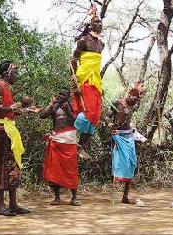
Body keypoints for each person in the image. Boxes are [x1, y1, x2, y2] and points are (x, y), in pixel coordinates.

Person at [0, 60, 34, 216]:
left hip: (10, 131)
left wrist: (24, 110)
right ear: (7, 72)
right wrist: (17, 105)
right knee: (2, 167)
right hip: (2, 132)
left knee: (14, 168)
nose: (16, 75)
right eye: (14, 72)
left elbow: (8, 112)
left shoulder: (6, 88)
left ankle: (13, 204)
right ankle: (0, 206)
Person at [71, 5, 104, 159]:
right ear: (91, 25)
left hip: (96, 80)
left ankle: (82, 145)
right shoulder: (83, 41)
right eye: (97, 22)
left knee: (96, 113)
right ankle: (73, 138)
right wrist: (75, 82)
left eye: (101, 22)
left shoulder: (101, 44)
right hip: (83, 79)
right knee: (87, 112)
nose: (100, 24)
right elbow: (73, 60)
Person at [39, 88, 81, 206]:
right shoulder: (55, 106)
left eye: (64, 95)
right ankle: (57, 198)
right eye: (59, 94)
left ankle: (74, 198)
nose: (61, 96)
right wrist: (51, 104)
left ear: (68, 96)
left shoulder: (72, 106)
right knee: (54, 169)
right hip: (56, 140)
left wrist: (67, 109)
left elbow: (75, 121)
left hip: (69, 142)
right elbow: (42, 115)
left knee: (71, 170)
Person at [105, 82, 145, 204]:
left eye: (137, 101)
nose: (135, 103)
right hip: (119, 136)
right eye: (134, 100)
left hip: (129, 137)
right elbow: (107, 117)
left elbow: (128, 121)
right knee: (118, 164)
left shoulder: (132, 106)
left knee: (131, 164)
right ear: (129, 96)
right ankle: (116, 193)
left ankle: (125, 196)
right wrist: (110, 124)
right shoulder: (117, 103)